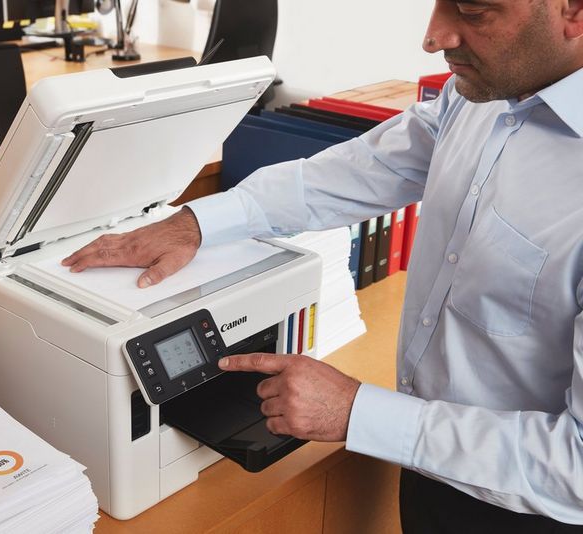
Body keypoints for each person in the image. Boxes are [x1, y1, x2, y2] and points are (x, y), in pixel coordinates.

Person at [63, 0, 583, 530]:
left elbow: (576, 469)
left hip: (530, 510)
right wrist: (195, 223)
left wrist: (358, 413)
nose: (433, 37)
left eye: (473, 11)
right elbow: (362, 170)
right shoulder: (481, 95)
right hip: (427, 470)